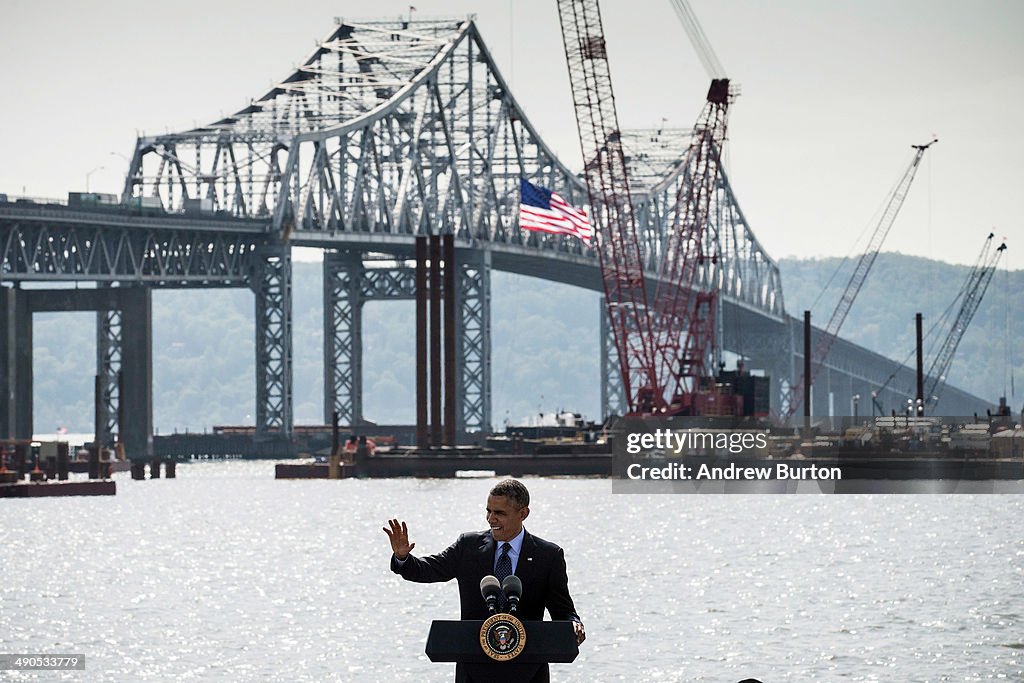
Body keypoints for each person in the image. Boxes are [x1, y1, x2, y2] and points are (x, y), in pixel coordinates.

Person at [384, 479, 585, 681]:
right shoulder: (468, 546)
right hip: (473, 669)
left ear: (523, 514)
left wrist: (574, 624)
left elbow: (563, 610)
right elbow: (427, 570)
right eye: (488, 511)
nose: (491, 519)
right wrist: (403, 558)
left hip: (528, 671)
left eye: (500, 513)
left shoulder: (547, 555)